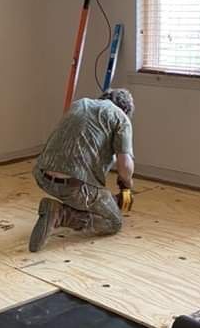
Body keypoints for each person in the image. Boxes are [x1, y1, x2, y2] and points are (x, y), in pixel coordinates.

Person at [29, 89, 135, 252]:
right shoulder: (121, 118)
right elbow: (125, 167)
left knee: (85, 193)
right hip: (75, 185)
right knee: (114, 223)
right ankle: (62, 215)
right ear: (126, 110)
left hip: (43, 176)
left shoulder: (80, 104)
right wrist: (127, 185)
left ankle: (90, 203)